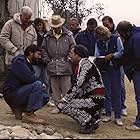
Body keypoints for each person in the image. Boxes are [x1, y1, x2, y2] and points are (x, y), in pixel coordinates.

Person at [57, 44, 105, 134]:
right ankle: (92, 117)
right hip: (94, 98)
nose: (70, 56)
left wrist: (65, 98)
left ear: (78, 55)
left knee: (62, 105)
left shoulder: (85, 64)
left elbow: (78, 84)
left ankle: (90, 121)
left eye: (71, 53)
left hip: (94, 99)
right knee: (67, 103)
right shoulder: (84, 63)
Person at [3, 45, 49, 124]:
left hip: (20, 92)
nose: (40, 57)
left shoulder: (28, 64)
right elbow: (29, 78)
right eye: (38, 54)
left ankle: (19, 109)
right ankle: (29, 115)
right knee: (37, 84)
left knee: (45, 97)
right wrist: (41, 84)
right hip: (12, 94)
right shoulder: (19, 61)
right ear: (31, 53)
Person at [41, 15, 76, 113]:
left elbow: (73, 46)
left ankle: (67, 107)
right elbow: (43, 49)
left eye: (58, 26)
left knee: (66, 87)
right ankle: (58, 106)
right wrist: (47, 60)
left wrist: (69, 59)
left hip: (65, 64)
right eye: (54, 27)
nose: (56, 28)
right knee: (55, 87)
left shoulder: (69, 35)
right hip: (52, 64)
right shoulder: (47, 36)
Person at [94, 26, 124, 126]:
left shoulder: (116, 39)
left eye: (102, 36)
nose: (101, 39)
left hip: (115, 68)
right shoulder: (98, 42)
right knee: (106, 92)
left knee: (117, 92)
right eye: (99, 37)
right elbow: (96, 55)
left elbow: (122, 52)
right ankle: (108, 114)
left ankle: (118, 116)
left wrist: (113, 55)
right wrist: (101, 58)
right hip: (105, 69)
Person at [102, 16, 127, 116]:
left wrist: (113, 55)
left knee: (119, 86)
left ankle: (122, 106)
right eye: (104, 26)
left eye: (107, 25)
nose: (106, 27)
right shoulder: (102, 36)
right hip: (108, 66)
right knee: (108, 87)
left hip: (118, 64)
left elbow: (123, 49)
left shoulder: (119, 34)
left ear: (112, 23)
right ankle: (110, 107)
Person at [117, 21, 140, 131]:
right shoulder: (134, 36)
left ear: (125, 32)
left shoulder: (136, 39)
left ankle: (139, 123)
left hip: (138, 71)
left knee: (139, 97)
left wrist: (131, 68)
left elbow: (137, 57)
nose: (120, 36)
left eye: (120, 33)